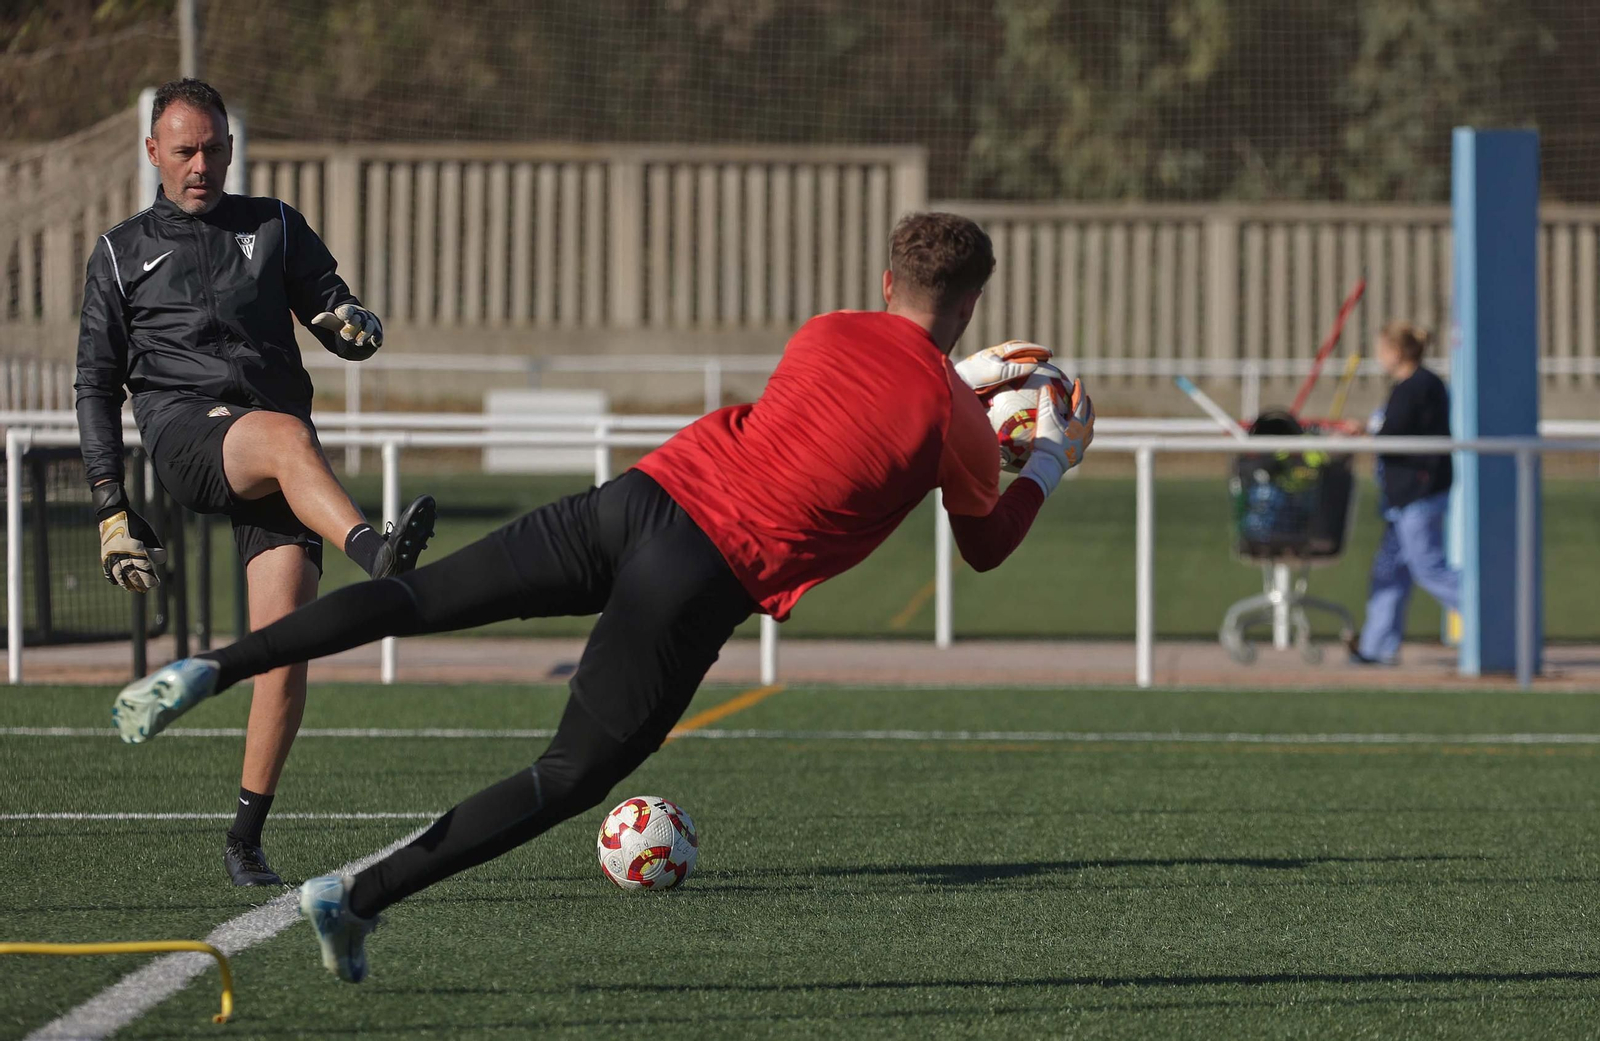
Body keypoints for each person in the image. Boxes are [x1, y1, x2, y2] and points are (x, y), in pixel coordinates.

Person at [108, 211, 1094, 982]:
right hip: (701, 577)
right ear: (969, 303)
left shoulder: (829, 330)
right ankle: (360, 897)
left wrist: (962, 390)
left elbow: (883, 388)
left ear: (886, 282)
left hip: (636, 499)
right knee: (568, 775)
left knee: (417, 596)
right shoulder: (954, 427)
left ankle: (214, 664)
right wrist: (1048, 457)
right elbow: (985, 545)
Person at [76, 78, 439, 887]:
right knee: (284, 434)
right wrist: (111, 507)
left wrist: (353, 325)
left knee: (285, 649)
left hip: (282, 461)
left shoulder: (276, 224)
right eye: (183, 151)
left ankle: (245, 838)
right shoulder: (118, 252)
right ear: (153, 154)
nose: (199, 164)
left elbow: (333, 310)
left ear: (231, 149)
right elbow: (95, 385)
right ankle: (377, 554)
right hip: (188, 436)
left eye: (212, 148)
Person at [1348, 320, 1460, 665]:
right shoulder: (1407, 387)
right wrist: (1366, 430)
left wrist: (1367, 436)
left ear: (1397, 352)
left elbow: (1395, 434)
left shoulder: (1419, 386)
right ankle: (1376, 647)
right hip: (1401, 498)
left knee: (1428, 568)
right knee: (1389, 572)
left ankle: (1495, 616)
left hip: (1419, 495)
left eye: (1383, 350)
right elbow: (1392, 428)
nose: (1379, 357)